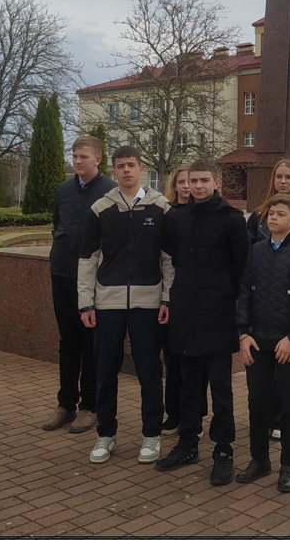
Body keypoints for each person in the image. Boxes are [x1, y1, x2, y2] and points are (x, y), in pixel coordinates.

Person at [156, 158, 250, 486]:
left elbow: (243, 269)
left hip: (219, 316)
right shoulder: (176, 218)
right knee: (188, 384)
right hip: (185, 314)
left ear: (216, 182)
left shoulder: (232, 219)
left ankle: (223, 450)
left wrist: (240, 317)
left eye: (204, 180)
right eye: (193, 180)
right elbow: (172, 257)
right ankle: (188, 444)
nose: (197, 186)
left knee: (221, 388)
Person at [78, 146, 173, 466]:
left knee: (149, 372)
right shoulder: (100, 209)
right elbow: (87, 259)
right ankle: (105, 434)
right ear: (114, 171)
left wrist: (167, 298)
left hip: (148, 302)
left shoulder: (161, 207)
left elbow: (168, 258)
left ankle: (151, 434)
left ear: (141, 168)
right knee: (105, 372)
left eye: (131, 165)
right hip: (108, 303)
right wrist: (85, 304)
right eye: (121, 166)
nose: (127, 170)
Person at [236, 194, 290, 493]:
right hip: (258, 340)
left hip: (287, 343)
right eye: (270, 213)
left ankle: (288, 464)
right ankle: (260, 460)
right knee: (257, 402)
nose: (272, 217)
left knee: (287, 403)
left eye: (280, 214)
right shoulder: (255, 252)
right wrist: (244, 334)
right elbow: (244, 292)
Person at [42, 135, 116, 435]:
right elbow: (57, 224)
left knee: (90, 343)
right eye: (74, 155)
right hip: (62, 273)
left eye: (83, 156)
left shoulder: (109, 191)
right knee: (68, 340)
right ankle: (65, 404)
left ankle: (90, 407)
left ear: (97, 159)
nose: (77, 161)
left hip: (94, 279)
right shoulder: (63, 190)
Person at [160, 165, 207, 435]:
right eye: (182, 182)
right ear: (175, 186)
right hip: (172, 295)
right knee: (173, 359)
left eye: (192, 181)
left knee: (196, 363)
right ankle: (174, 413)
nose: (187, 186)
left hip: (197, 297)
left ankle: (195, 414)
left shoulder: (202, 214)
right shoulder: (168, 214)